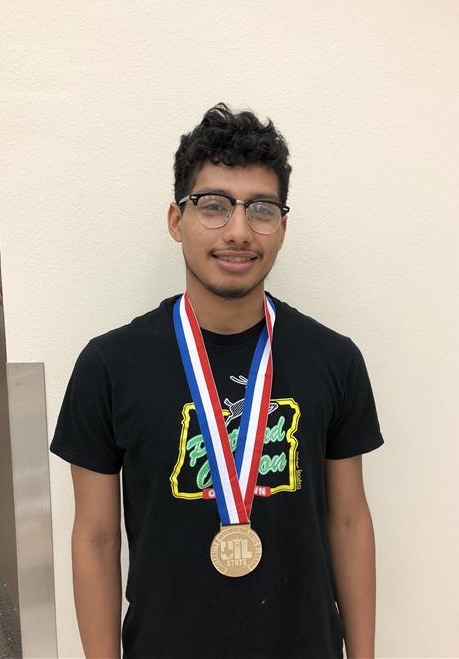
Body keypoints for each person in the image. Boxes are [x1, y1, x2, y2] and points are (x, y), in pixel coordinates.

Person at [50, 102, 384, 659]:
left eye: (261, 209)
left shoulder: (334, 359)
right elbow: (96, 538)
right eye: (213, 206)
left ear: (281, 227)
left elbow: (349, 521)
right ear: (177, 220)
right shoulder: (109, 366)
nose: (237, 231)